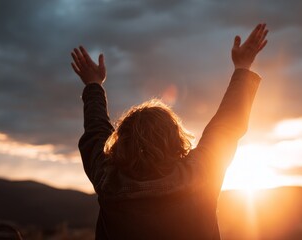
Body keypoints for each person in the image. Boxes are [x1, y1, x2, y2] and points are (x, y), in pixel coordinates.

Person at [71, 23, 268, 239]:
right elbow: (226, 126)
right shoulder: (200, 174)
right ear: (175, 139)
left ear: (121, 143)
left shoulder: (108, 181)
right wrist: (242, 67)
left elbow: (96, 131)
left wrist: (93, 84)